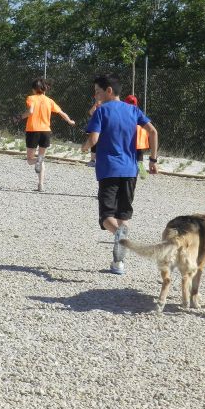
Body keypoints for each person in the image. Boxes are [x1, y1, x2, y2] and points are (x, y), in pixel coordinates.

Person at [81, 74, 159, 274]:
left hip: (108, 170)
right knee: (123, 214)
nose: (96, 95)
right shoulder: (133, 110)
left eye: (98, 91)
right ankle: (118, 264)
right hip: (131, 170)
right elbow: (153, 132)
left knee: (107, 216)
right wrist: (152, 160)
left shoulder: (101, 111)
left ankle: (117, 234)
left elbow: (94, 138)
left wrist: (84, 147)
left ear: (108, 91)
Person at [21, 78, 75, 192]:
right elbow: (62, 113)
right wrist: (70, 121)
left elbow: (30, 111)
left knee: (31, 159)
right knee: (41, 157)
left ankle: (38, 161)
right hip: (46, 131)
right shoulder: (49, 101)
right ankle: (40, 185)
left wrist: (20, 117)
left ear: (34, 89)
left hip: (33, 131)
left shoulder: (31, 98)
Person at [124, 95, 150, 178]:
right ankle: (142, 173)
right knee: (139, 156)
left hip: (131, 139)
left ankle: (132, 172)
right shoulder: (138, 112)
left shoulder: (124, 112)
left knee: (130, 155)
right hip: (140, 138)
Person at [86, 98, 101, 167]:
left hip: (103, 129)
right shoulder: (96, 108)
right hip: (96, 128)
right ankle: (92, 160)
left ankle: (100, 161)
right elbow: (91, 112)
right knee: (93, 144)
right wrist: (96, 104)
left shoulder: (107, 106)